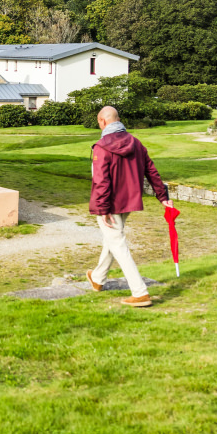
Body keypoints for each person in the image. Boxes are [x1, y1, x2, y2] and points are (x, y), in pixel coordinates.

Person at [86, 106, 171, 307]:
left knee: (118, 243)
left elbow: (101, 181)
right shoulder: (136, 143)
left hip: (110, 204)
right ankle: (98, 279)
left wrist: (103, 208)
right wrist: (163, 196)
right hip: (128, 202)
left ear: (102, 122)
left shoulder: (101, 147)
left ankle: (140, 292)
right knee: (112, 239)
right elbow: (152, 171)